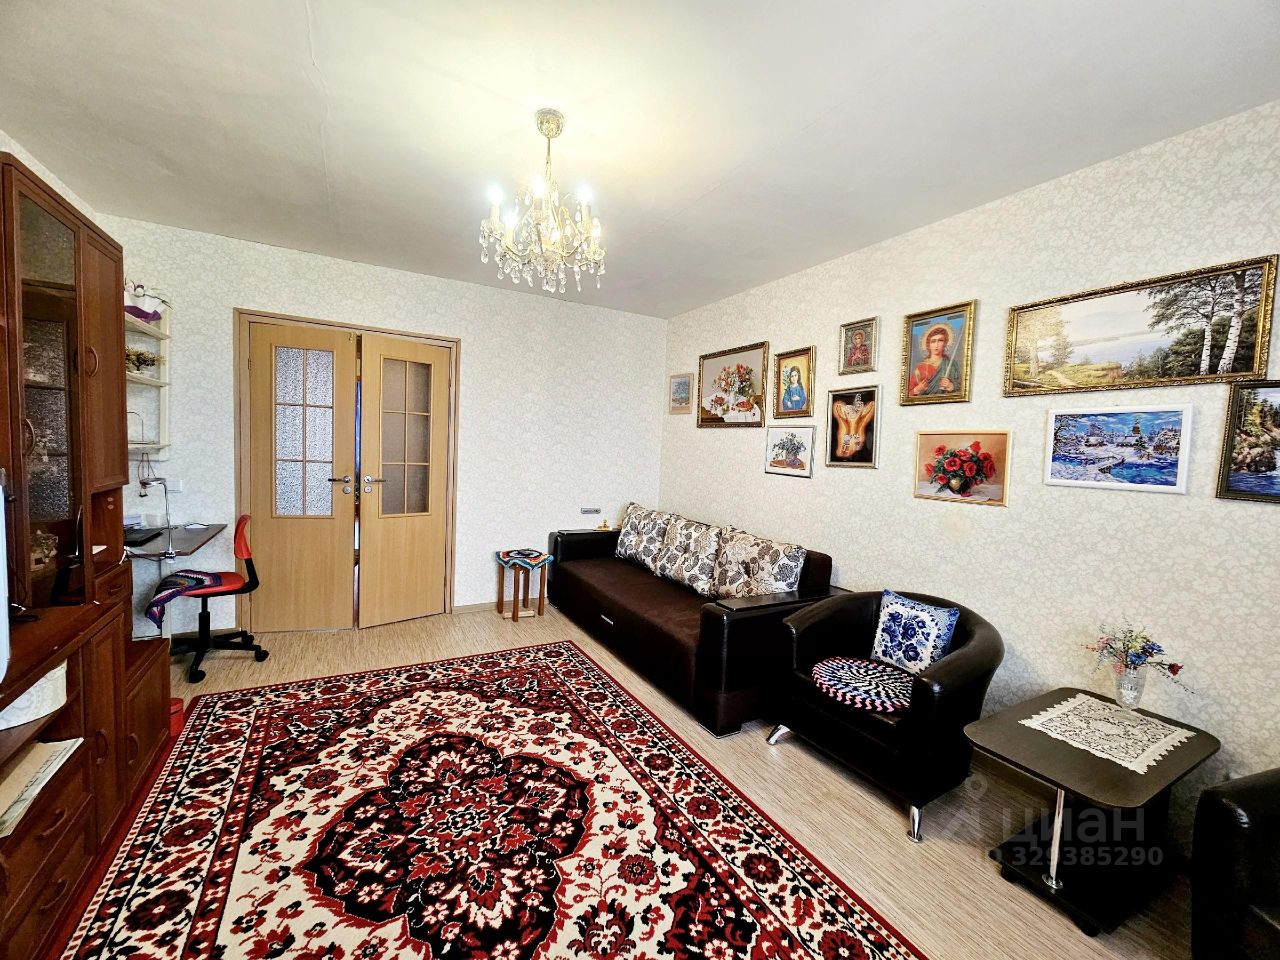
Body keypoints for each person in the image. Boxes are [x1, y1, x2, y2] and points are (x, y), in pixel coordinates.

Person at [909, 323, 960, 396]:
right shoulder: (921, 367)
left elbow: (961, 387)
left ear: (945, 343)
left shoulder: (951, 364)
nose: (936, 345)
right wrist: (917, 389)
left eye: (940, 340)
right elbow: (908, 394)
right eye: (933, 341)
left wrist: (950, 386)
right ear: (928, 345)